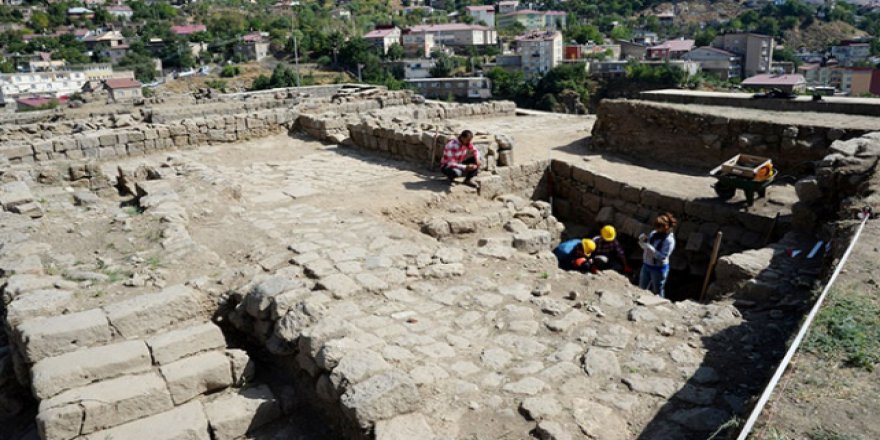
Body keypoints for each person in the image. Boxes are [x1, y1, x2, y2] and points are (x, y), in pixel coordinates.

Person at [639, 213, 677, 297]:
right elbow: (646, 247)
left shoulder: (669, 241)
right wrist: (642, 241)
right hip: (646, 265)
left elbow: (662, 257)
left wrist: (650, 248)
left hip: (658, 269)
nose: (656, 229)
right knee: (641, 288)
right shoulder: (654, 233)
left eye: (658, 227)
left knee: (657, 291)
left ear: (665, 227)